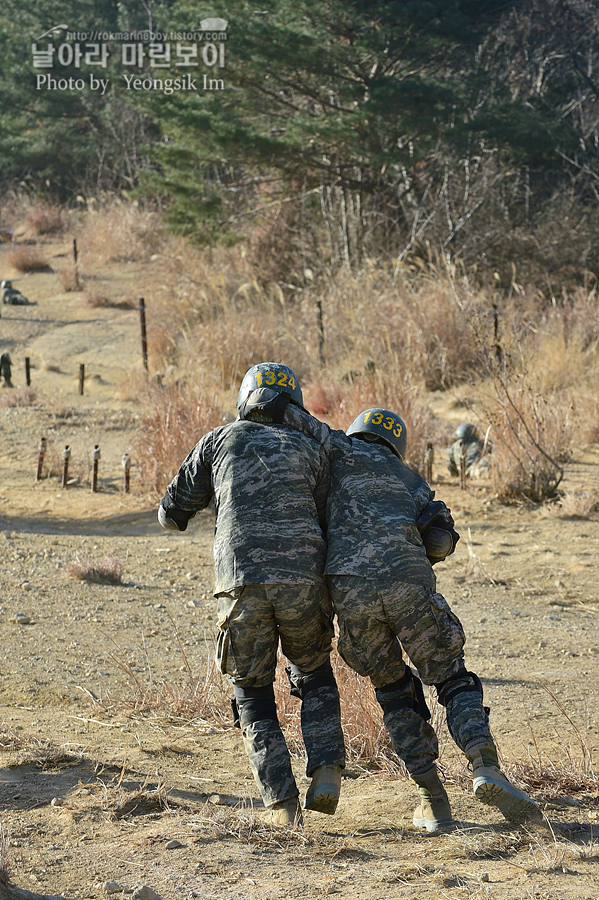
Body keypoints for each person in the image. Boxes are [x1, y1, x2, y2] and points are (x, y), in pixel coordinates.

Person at [238, 395, 541, 832]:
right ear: (396, 444)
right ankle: (485, 766)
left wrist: (265, 401)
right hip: (408, 583)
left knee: (395, 691)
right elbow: (440, 538)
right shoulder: (412, 478)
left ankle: (432, 800)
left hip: (351, 591)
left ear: (359, 430)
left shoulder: (338, 449)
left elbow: (294, 415)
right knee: (453, 678)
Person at [158, 363, 345, 826]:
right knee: (314, 671)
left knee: (251, 693)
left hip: (240, 581)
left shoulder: (219, 440)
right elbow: (327, 514)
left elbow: (170, 513)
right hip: (304, 580)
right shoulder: (311, 447)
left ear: (246, 398)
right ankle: (325, 772)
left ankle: (282, 806)